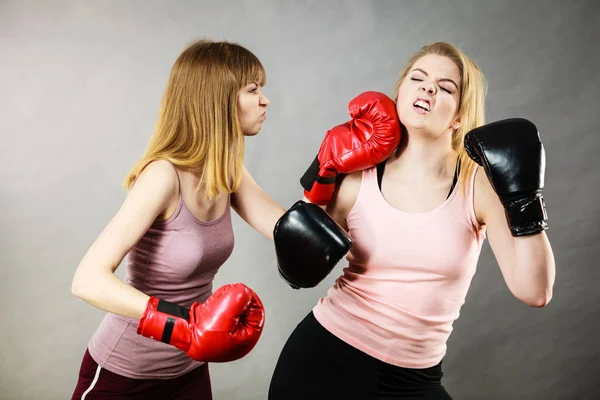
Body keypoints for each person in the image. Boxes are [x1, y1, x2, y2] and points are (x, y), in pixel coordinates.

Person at [269, 42, 556, 399]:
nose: (428, 87)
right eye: (418, 78)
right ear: (400, 94)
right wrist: (323, 172)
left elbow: (535, 291)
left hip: (413, 380)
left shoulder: (477, 185)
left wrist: (525, 197)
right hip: (322, 362)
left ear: (458, 118)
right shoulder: (359, 174)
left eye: (446, 86)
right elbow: (299, 260)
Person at [70, 39, 285, 400]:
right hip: (125, 374)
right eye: (252, 89)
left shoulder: (228, 170)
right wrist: (183, 327)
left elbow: (292, 234)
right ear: (218, 98)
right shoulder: (163, 176)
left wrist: (330, 176)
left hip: (188, 372)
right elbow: (86, 280)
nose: (265, 100)